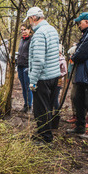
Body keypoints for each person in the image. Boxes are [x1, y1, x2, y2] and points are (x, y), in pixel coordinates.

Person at [25, 7, 61, 144]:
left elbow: (39, 60)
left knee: (41, 109)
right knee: (48, 106)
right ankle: (42, 132)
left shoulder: (40, 34)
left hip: (43, 77)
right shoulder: (52, 30)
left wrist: (33, 81)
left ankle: (45, 138)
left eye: (29, 19)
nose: (29, 22)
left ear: (34, 17)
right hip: (53, 75)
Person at [17, 23, 33, 113]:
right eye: (22, 30)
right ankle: (25, 104)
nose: (23, 31)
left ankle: (30, 106)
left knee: (28, 87)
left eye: (25, 29)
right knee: (23, 87)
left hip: (27, 66)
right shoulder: (21, 40)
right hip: (20, 65)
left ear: (29, 30)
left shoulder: (31, 40)